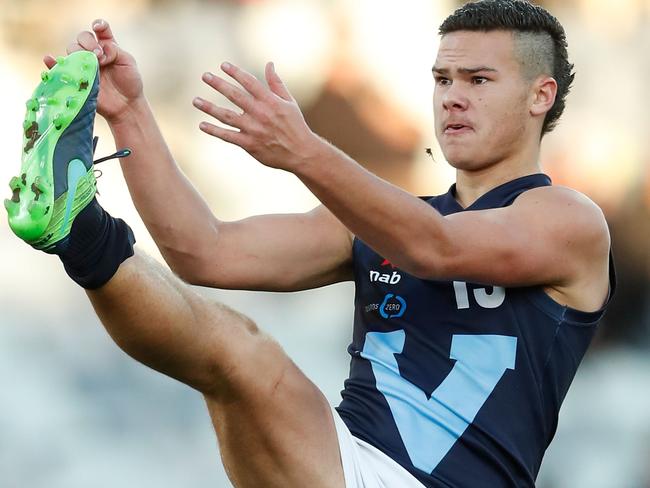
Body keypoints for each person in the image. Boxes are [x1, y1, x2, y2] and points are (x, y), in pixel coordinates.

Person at [6, 0, 615, 486]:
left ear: (541, 95)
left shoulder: (567, 219)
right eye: (442, 78)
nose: (452, 96)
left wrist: (303, 150)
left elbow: (436, 248)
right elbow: (203, 249)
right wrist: (130, 111)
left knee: (246, 355)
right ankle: (78, 227)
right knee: (232, 355)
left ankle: (80, 228)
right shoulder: (380, 221)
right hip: (341, 463)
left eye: (479, 79)